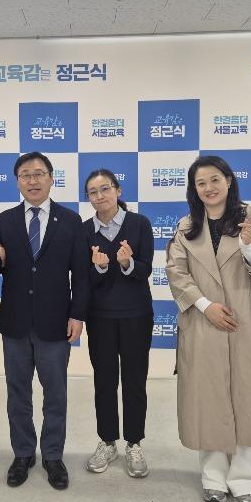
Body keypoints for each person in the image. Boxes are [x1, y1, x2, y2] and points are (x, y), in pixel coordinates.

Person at [165, 155, 251, 502]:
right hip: (202, 323)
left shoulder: (250, 217)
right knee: (209, 400)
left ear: (229, 181)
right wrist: (206, 306)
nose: (209, 188)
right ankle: (213, 477)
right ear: (194, 189)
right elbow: (176, 272)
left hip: (243, 321)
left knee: (247, 398)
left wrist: (248, 248)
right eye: (201, 183)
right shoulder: (187, 225)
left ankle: (244, 479)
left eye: (215, 180)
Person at [0, 151, 89, 491]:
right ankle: (23, 453)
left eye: (39, 173)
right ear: (17, 181)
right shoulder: (5, 220)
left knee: (55, 393)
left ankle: (53, 456)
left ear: (51, 178)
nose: (32, 180)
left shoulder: (70, 220)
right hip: (15, 322)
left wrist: (77, 314)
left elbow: (81, 274)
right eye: (25, 175)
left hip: (55, 323)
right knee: (18, 392)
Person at [82, 169, 154, 478]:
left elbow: (146, 268)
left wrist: (127, 263)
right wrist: (99, 268)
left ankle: (134, 443)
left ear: (118, 190)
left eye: (105, 189)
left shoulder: (139, 224)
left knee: (135, 380)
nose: (100, 196)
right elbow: (83, 277)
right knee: (104, 381)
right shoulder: (85, 230)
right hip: (100, 317)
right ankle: (108, 441)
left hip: (136, 314)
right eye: (93, 192)